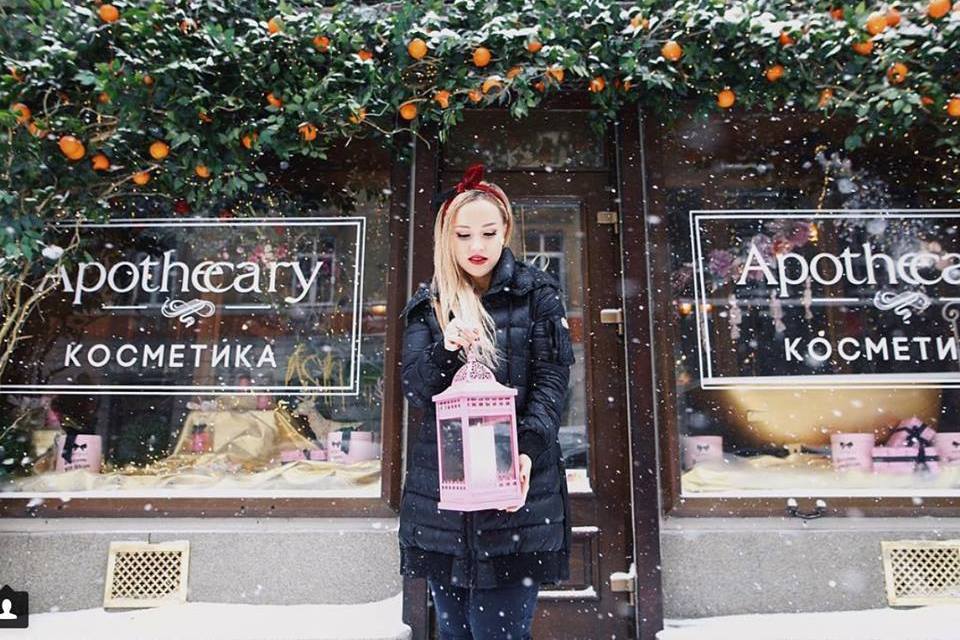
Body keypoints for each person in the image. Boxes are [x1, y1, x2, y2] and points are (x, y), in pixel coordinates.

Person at [398, 163, 576, 639]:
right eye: (463, 235)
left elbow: (552, 386)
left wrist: (526, 451)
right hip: (443, 501)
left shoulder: (538, 294)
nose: (476, 245)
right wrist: (445, 350)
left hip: (517, 496)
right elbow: (415, 390)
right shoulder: (430, 303)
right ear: (447, 238)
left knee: (498, 632)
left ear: (506, 232)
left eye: (488, 233)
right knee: (455, 632)